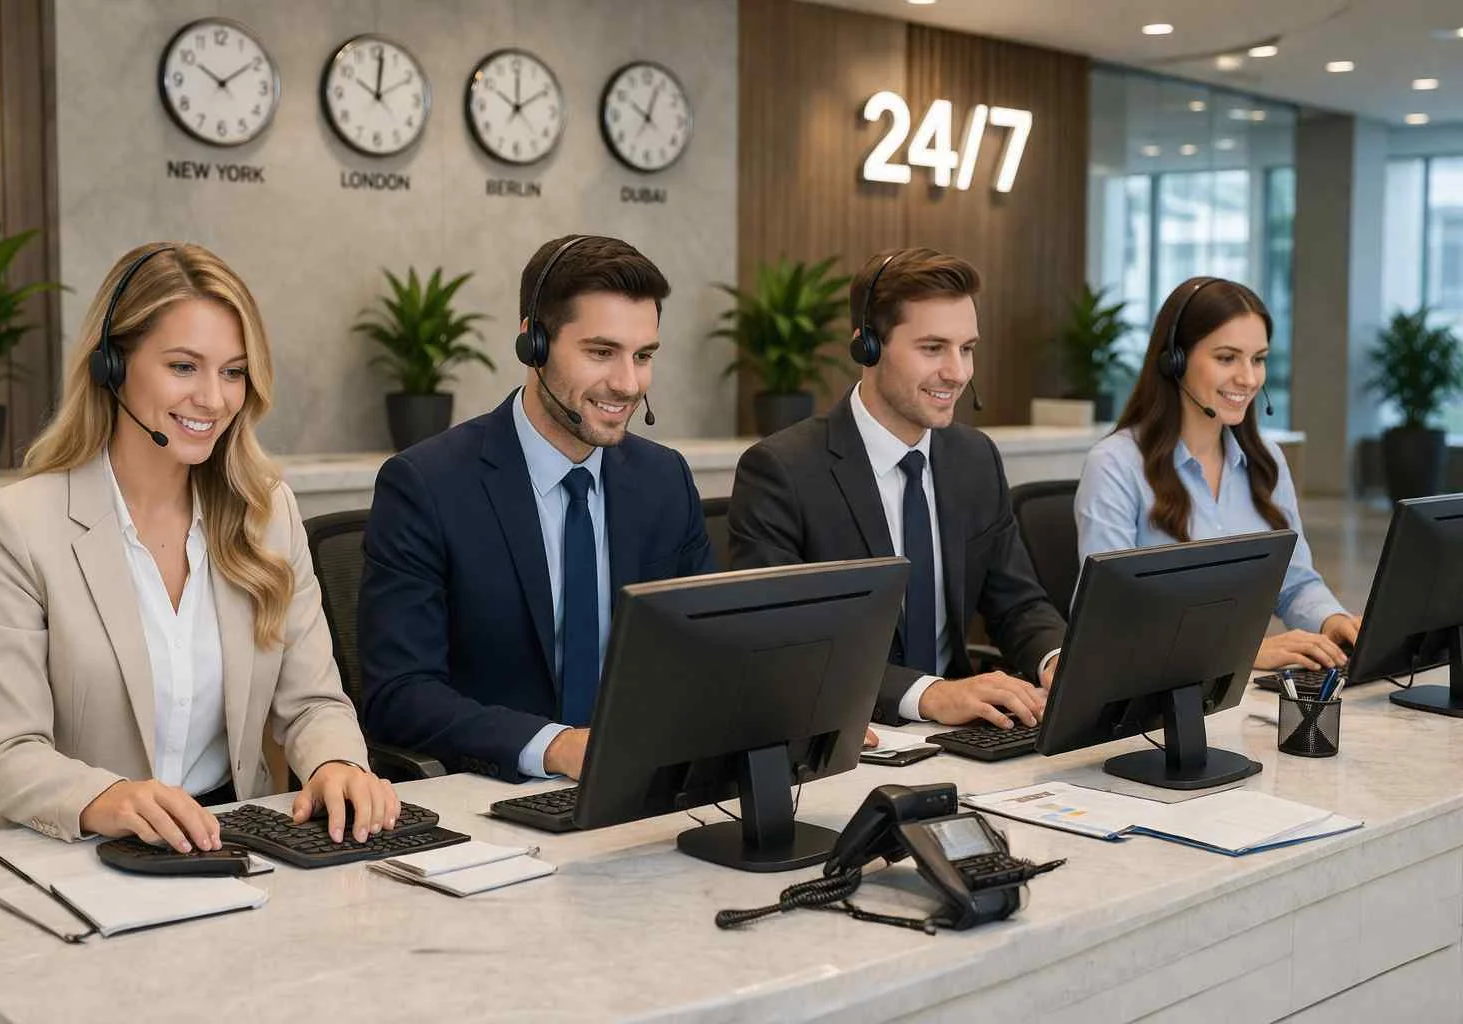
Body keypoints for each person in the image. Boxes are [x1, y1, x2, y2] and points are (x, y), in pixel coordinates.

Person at [0, 242, 397, 852]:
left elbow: (312, 702)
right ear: (111, 366)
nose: (214, 400)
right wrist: (107, 797)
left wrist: (337, 765)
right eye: (184, 367)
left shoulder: (267, 515)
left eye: (233, 371)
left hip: (221, 846)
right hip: (61, 854)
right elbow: (3, 754)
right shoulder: (17, 526)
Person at [359, 234, 714, 782]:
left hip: (646, 789)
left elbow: (708, 648)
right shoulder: (427, 485)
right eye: (601, 352)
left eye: (643, 356)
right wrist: (553, 747)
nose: (627, 384)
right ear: (534, 343)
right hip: (496, 797)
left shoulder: (664, 481)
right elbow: (400, 692)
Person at [728, 248, 1065, 729]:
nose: (958, 372)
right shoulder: (782, 471)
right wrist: (929, 695)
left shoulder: (974, 459)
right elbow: (781, 645)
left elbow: (1019, 604)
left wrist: (1055, 660)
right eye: (933, 348)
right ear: (867, 346)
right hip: (853, 734)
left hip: (970, 732)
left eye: (966, 348)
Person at [1075, 276, 1358, 671]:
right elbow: (1110, 620)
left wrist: (1333, 621)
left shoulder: (1267, 462)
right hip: (1153, 707)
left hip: (1242, 700)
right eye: (1227, 358)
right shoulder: (1116, 465)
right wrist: (1242, 652)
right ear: (1174, 360)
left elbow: (1295, 583)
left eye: (1258, 358)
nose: (1248, 378)